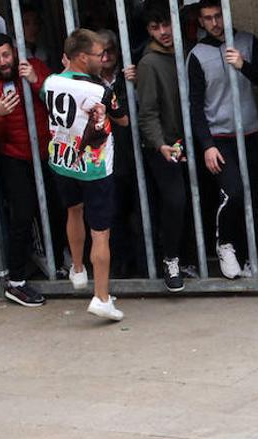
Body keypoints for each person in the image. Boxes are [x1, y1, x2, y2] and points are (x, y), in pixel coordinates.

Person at [41, 29, 129, 320]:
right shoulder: (99, 89)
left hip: (63, 161)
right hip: (93, 166)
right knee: (100, 231)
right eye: (97, 55)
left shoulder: (50, 82)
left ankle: (77, 268)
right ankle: (101, 297)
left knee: (73, 211)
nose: (102, 59)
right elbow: (124, 119)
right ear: (81, 57)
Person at [188, 0, 258, 280]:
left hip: (248, 133)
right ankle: (225, 244)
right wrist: (207, 145)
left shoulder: (247, 41)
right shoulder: (196, 54)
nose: (214, 23)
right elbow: (195, 106)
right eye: (208, 19)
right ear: (200, 22)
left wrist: (243, 64)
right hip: (219, 137)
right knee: (233, 192)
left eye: (218, 16)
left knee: (251, 197)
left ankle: (248, 257)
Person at [0, 32, 48, 308]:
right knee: (22, 216)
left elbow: (58, 100)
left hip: (49, 152)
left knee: (60, 208)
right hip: (16, 157)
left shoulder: (33, 67)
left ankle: (65, 264)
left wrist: (36, 81)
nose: (3, 61)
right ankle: (16, 281)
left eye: (6, 54)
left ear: (14, 51)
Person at [136, 1, 192, 292]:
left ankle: (186, 257)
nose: (163, 32)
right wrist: (160, 144)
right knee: (174, 201)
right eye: (155, 27)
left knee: (191, 201)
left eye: (166, 24)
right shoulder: (148, 63)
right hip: (165, 146)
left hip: (188, 141)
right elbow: (147, 112)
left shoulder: (184, 52)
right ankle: (170, 259)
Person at [96, 29, 147, 278]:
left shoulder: (128, 78)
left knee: (142, 213)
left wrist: (136, 82)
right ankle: (122, 267)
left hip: (133, 153)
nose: (105, 56)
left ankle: (146, 265)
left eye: (110, 50)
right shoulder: (87, 81)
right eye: (100, 52)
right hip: (104, 159)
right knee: (113, 216)